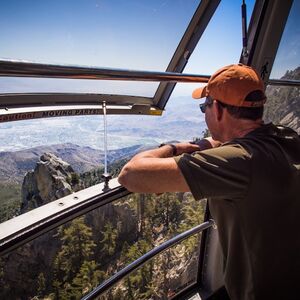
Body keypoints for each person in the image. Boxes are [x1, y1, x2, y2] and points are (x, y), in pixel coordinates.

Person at [118, 63, 300, 300]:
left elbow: (131, 175)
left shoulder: (240, 162)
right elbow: (236, 143)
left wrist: (175, 147)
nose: (204, 112)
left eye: (205, 105)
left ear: (219, 111)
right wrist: (208, 144)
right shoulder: (284, 135)